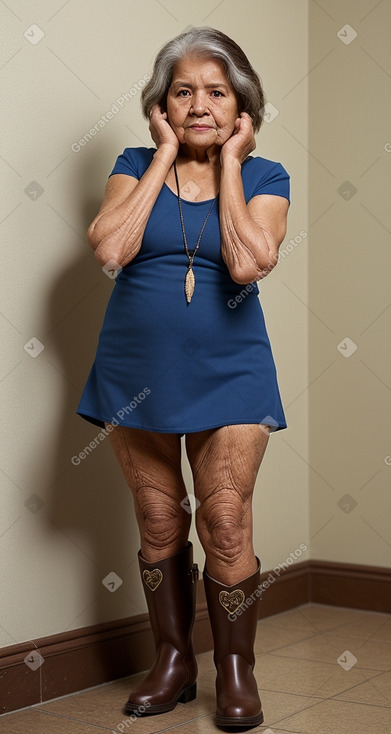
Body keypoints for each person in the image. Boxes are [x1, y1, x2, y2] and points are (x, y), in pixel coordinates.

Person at [76, 26, 290, 729]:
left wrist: (228, 165)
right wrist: (165, 153)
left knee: (225, 518)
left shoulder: (265, 176)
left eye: (216, 92)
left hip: (231, 368)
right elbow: (110, 246)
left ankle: (235, 671)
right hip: (135, 369)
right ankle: (172, 662)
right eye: (183, 91)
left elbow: (248, 263)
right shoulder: (133, 162)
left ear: (241, 108)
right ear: (161, 104)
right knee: (160, 517)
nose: (199, 103)